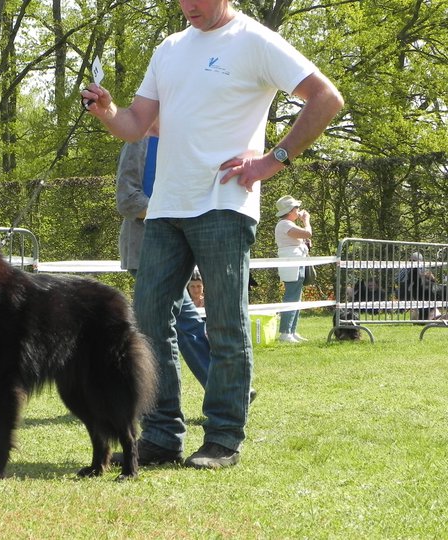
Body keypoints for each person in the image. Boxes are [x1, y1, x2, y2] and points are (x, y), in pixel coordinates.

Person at [81, 0, 343, 470]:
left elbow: (327, 98)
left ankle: (223, 438)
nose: (188, 6)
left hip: (225, 204)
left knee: (225, 323)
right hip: (165, 208)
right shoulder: (169, 47)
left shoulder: (255, 40)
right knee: (148, 324)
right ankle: (162, 436)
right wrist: (107, 110)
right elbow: (136, 125)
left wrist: (272, 161)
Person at [116, 123, 210, 391]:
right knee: (176, 323)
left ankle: (219, 386)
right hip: (145, 249)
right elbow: (127, 200)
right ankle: (216, 386)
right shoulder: (139, 142)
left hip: (176, 251)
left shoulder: (184, 140)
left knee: (181, 322)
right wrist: (171, 212)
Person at [274, 195, 312, 343]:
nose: (298, 211)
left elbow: (305, 238)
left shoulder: (288, 224)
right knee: (291, 296)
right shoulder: (284, 224)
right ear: (290, 210)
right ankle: (285, 332)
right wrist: (306, 221)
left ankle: (292, 330)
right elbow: (308, 233)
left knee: (297, 296)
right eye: (296, 208)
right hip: (292, 263)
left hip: (298, 261)